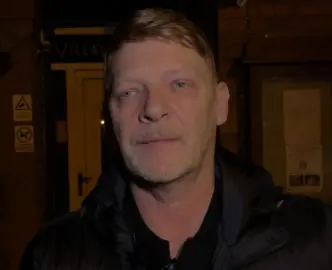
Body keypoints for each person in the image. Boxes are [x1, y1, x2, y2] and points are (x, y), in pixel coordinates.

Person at [21, 8, 332, 270]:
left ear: (220, 105)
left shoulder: (316, 241)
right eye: (129, 92)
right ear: (109, 115)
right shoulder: (53, 256)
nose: (153, 109)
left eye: (180, 84)